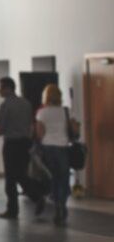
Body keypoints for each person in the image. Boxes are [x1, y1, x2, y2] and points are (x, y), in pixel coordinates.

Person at [0, 77, 45, 220]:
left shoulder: (5, 105)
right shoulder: (26, 103)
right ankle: (36, 196)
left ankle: (13, 209)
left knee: (11, 178)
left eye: (0, 87)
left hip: (11, 144)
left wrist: (1, 129)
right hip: (25, 144)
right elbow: (31, 125)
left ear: (7, 88)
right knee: (21, 174)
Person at [35, 84, 80, 226]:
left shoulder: (41, 113)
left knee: (52, 177)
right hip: (63, 148)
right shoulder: (66, 111)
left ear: (45, 96)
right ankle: (61, 204)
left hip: (48, 148)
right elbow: (75, 129)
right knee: (63, 177)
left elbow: (39, 134)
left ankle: (56, 205)